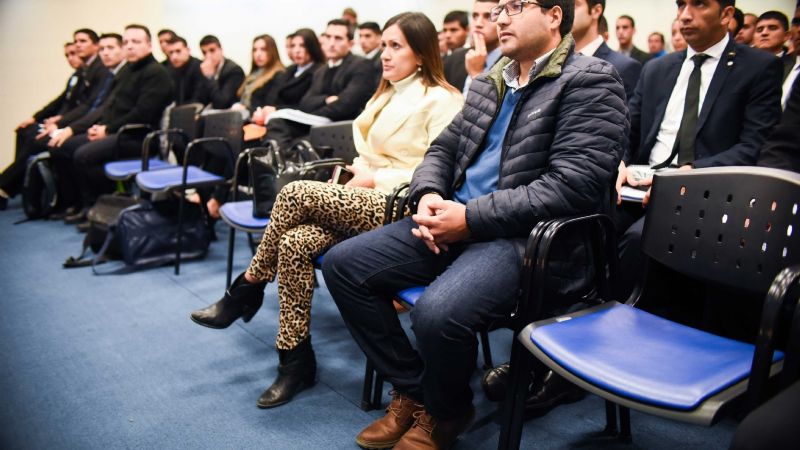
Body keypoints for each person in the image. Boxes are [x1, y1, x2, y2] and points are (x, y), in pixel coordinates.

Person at [322, 0, 628, 448]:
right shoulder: (491, 80)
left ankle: (446, 413)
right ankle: (417, 393)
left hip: (523, 237)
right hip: (455, 217)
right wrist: (427, 195)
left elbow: (572, 186)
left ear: (554, 15)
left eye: (515, 6)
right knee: (343, 265)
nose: (500, 18)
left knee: (436, 314)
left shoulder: (590, 80)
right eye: (498, 7)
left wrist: (469, 218)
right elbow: (442, 151)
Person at [189, 12, 463, 412]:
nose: (384, 54)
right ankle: (295, 361)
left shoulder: (443, 99)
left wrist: (375, 176)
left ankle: (247, 287)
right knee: (296, 242)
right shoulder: (386, 92)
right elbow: (368, 152)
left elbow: (439, 167)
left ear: (421, 53)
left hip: (404, 203)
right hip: (367, 199)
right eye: (383, 45)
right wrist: (361, 170)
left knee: (296, 193)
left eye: (395, 46)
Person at [615, 0, 783, 299]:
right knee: (585, 220)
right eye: (681, 5)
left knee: (638, 239)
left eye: (700, 4)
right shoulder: (657, 68)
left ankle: (618, 321)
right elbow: (629, 130)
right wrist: (620, 162)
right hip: (638, 185)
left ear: (727, 15)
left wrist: (687, 176)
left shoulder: (757, 67)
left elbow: (753, 146)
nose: (685, 15)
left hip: (703, 191)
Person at [50, 24, 173, 223]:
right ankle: (84, 204)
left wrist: (107, 129)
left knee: (83, 155)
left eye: (136, 42)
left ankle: (102, 208)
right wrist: (100, 128)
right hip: (118, 132)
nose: (130, 46)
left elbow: (142, 114)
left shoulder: (155, 72)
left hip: (139, 137)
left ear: (149, 46)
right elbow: (111, 106)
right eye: (126, 42)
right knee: (64, 146)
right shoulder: (126, 72)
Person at [264, 19, 376, 151]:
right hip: (319, 123)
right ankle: (280, 166)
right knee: (277, 124)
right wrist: (326, 100)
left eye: (338, 38)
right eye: (328, 37)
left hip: (342, 126)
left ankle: (282, 165)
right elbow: (306, 103)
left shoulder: (361, 65)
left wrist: (315, 110)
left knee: (295, 144)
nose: (331, 43)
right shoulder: (321, 71)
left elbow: (344, 106)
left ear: (350, 44)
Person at [0, 42, 84, 210]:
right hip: (62, 122)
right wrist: (35, 118)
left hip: (72, 124)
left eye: (74, 53)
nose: (71, 58)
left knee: (37, 142)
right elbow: (58, 102)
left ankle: (5, 186)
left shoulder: (90, 75)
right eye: (67, 55)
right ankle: (25, 185)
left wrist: (60, 122)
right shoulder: (76, 76)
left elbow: (84, 107)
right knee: (24, 131)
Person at [571, 0, 641, 103]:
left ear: (596, 10)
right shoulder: (558, 63)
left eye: (574, 5)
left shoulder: (624, 67)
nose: (566, 11)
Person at [250, 29, 325, 125]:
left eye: (302, 46)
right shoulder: (289, 70)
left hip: (298, 123)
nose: (297, 50)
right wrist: (262, 111)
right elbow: (272, 97)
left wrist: (276, 109)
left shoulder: (319, 71)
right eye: (293, 46)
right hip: (274, 119)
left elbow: (305, 105)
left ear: (312, 47)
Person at [230, 34, 285, 114]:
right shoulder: (254, 73)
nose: (258, 54)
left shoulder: (279, 75)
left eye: (263, 49)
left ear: (272, 51)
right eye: (255, 50)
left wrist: (245, 109)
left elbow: (268, 106)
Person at [199, 35, 245, 109]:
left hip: (228, 114)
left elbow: (221, 103)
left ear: (221, 50)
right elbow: (200, 100)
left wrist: (210, 77)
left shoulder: (234, 70)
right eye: (204, 52)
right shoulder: (204, 68)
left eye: (212, 50)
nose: (208, 56)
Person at [165, 36, 211, 106]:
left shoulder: (199, 67)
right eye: (171, 53)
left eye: (178, 51)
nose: (174, 57)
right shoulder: (169, 71)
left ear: (188, 50)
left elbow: (198, 100)